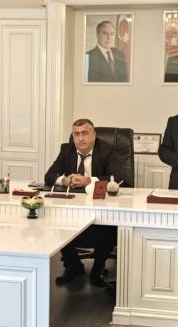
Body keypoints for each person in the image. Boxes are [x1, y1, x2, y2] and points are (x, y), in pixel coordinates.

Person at [45, 119, 129, 286]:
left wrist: (88, 180)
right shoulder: (66, 149)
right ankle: (74, 266)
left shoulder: (107, 150)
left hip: (101, 205)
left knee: (109, 229)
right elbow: (49, 176)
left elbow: (119, 179)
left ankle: (97, 270)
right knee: (56, 221)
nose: (81, 138)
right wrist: (64, 180)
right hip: (73, 205)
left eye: (85, 133)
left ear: (94, 135)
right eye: (76, 134)